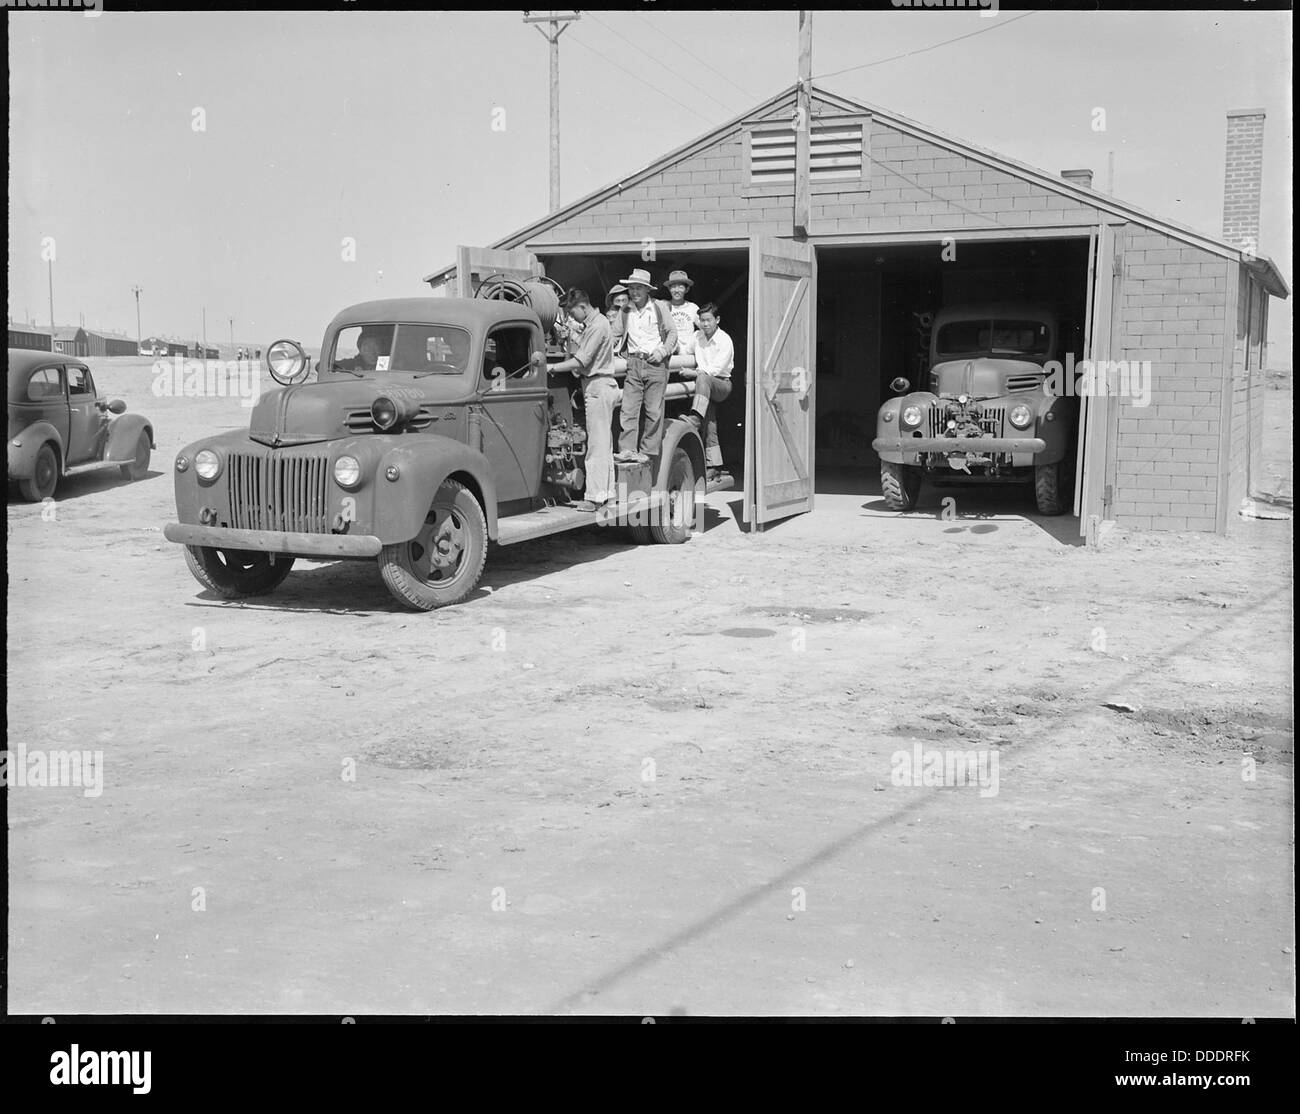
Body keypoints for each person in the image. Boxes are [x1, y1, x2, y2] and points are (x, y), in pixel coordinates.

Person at [548, 288, 618, 511]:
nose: (571, 317)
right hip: (600, 385)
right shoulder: (598, 324)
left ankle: (594, 498)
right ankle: (608, 495)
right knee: (604, 444)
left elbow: (580, 361)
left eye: (572, 312)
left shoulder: (597, 326)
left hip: (597, 385)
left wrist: (553, 367)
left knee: (596, 445)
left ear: (582, 306)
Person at [610, 268, 676, 465]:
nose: (634, 292)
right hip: (634, 362)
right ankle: (627, 450)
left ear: (648, 290)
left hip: (656, 363)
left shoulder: (659, 307)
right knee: (628, 409)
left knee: (653, 411)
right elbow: (614, 335)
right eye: (631, 288)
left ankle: (647, 452)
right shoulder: (625, 310)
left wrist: (662, 352)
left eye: (639, 288)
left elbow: (672, 333)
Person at [686, 302, 733, 482]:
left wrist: (696, 372)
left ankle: (696, 416)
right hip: (705, 390)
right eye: (702, 320)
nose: (705, 324)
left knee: (704, 377)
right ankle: (715, 466)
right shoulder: (697, 336)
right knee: (711, 424)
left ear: (717, 320)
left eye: (709, 320)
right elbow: (684, 350)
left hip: (721, 384)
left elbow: (714, 369)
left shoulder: (724, 340)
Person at [665, 269, 699, 356]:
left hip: (689, 351)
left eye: (680, 287)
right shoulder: (664, 306)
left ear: (687, 289)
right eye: (673, 287)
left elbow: (704, 327)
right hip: (670, 351)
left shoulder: (693, 307)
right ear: (669, 289)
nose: (676, 290)